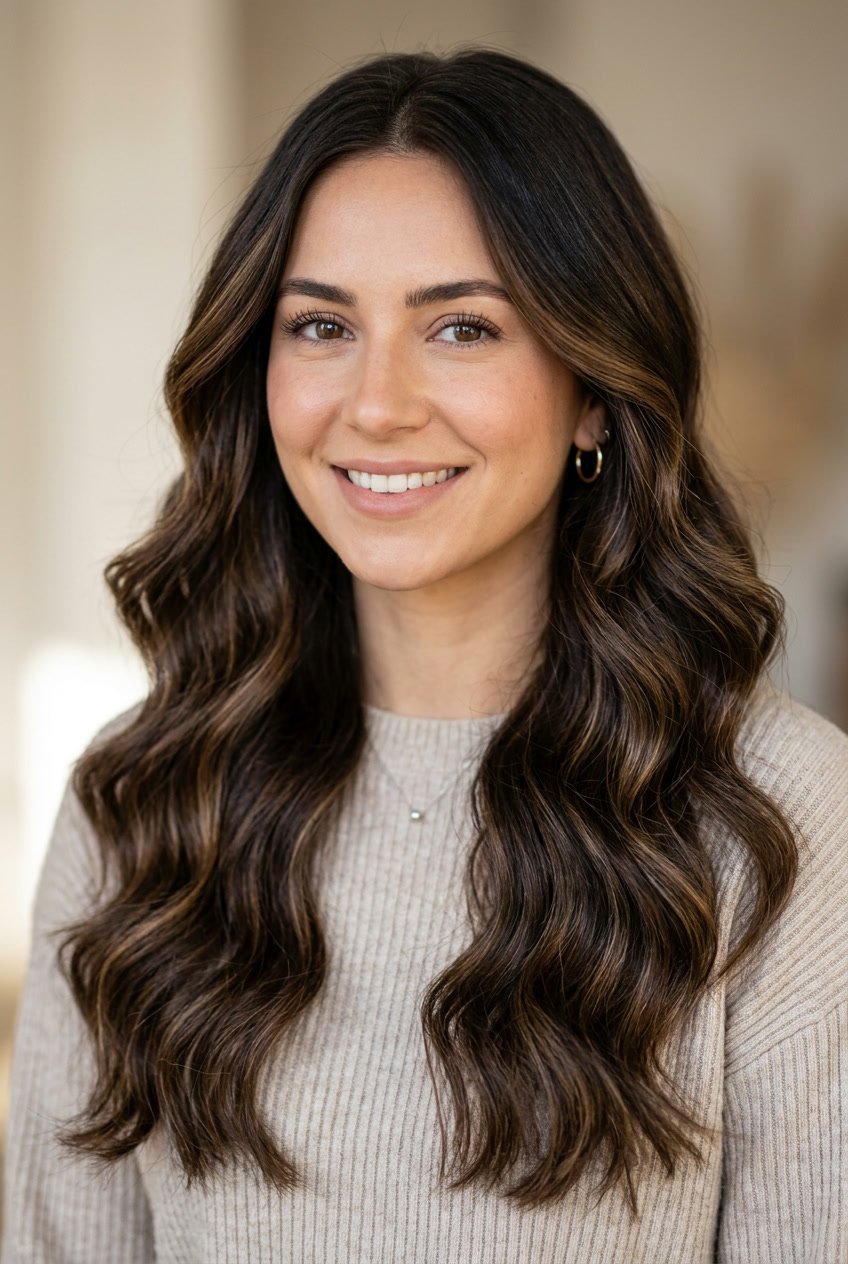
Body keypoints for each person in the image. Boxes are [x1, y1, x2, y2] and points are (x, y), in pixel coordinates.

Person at [3, 46, 846, 1264]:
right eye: (320, 324)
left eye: (461, 325)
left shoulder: (774, 810)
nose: (378, 401)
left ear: (595, 391)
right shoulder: (142, 797)